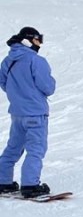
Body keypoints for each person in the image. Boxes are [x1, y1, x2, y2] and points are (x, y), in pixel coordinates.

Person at [0, 26, 55, 198]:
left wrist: (19, 94)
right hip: (35, 113)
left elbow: (4, 84)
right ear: (28, 40)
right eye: (38, 39)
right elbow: (48, 87)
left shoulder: (8, 61)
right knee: (36, 149)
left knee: (13, 147)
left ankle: (3, 181)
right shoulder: (36, 61)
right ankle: (30, 185)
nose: (40, 44)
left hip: (17, 113)